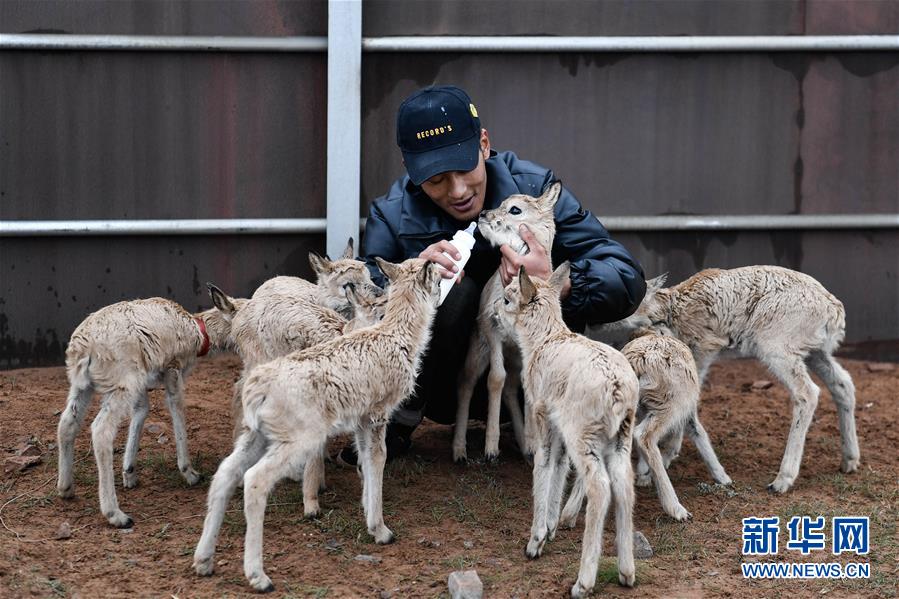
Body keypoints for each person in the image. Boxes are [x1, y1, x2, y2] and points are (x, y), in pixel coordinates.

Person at [338, 85, 646, 465]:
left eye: (465, 168)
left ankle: (556, 419)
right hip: (441, 385)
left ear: (484, 144)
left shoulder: (534, 192)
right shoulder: (392, 213)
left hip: (531, 377)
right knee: (455, 291)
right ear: (413, 173)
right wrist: (411, 274)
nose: (458, 191)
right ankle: (397, 421)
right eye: (435, 179)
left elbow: (625, 277)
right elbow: (359, 298)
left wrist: (558, 282)